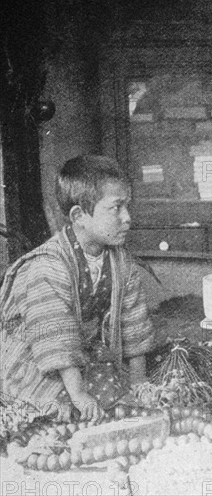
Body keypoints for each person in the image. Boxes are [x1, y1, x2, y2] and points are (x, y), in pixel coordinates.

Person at [0, 155, 155, 422]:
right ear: (79, 216)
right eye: (116, 208)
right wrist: (80, 394)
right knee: (58, 406)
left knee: (119, 390)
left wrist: (140, 383)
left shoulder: (121, 263)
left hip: (77, 349)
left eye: (127, 206)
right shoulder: (47, 267)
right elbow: (55, 335)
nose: (127, 218)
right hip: (36, 354)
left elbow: (134, 324)